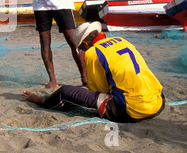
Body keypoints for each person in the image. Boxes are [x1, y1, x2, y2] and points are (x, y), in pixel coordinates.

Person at [22, 22, 165, 123]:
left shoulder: (92, 52)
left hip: (131, 110)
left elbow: (98, 90)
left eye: (82, 49)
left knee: (65, 91)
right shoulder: (122, 40)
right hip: (158, 102)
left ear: (85, 44)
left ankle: (42, 101)